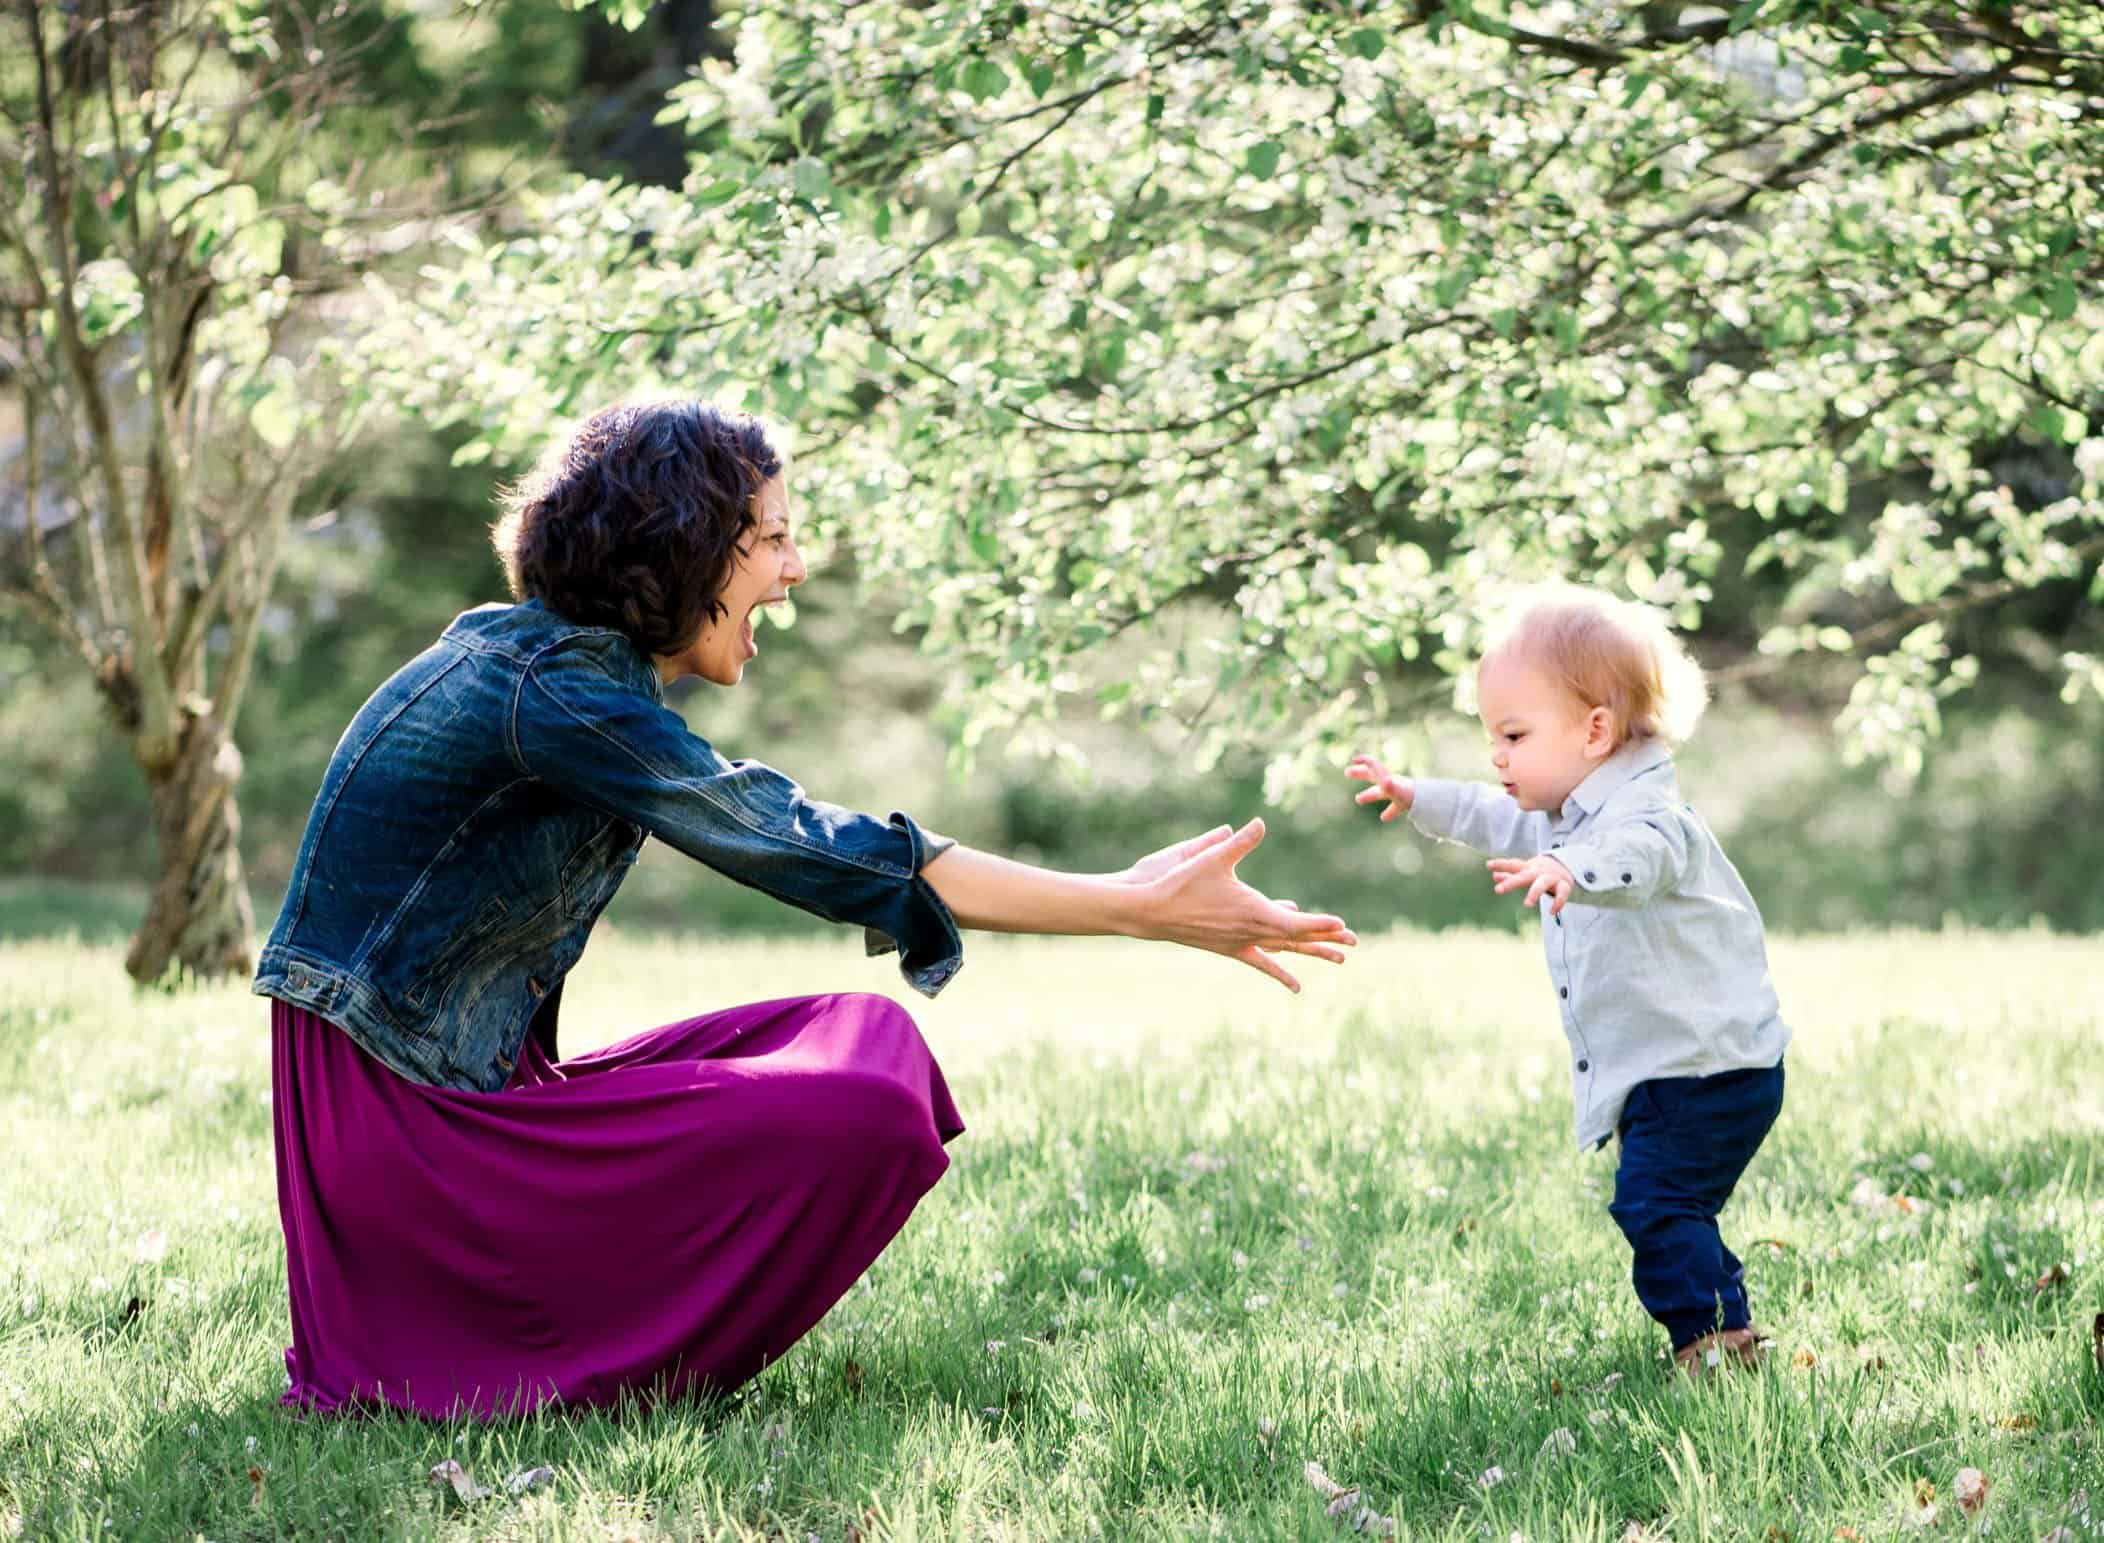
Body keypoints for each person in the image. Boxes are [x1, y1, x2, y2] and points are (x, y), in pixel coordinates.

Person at [253, 399, 1356, 1418]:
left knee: (866, 1047)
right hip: (410, 1148)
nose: (793, 570)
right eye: (772, 539)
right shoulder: (554, 693)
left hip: (441, 1106)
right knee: (857, 1107)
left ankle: (573, 1334)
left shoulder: (540, 668)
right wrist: (1128, 905)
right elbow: (801, 842)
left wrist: (1125, 899)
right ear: (685, 547)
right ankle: (532, 1355)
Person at [1346, 585, 1788, 1374]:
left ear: (1595, 729)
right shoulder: (1566, 813)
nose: (1498, 755)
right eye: (1493, 736)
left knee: (1655, 1202)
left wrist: (1569, 870)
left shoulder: (1647, 816)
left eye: (1514, 733)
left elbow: (1639, 860)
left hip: (1712, 1070)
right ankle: (1715, 1327)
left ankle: (1720, 1338)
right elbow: (1491, 812)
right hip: (1671, 1069)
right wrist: (1421, 797)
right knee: (1663, 1202)